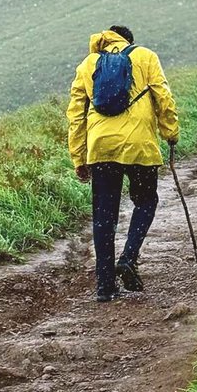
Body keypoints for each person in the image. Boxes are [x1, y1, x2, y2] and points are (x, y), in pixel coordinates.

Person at [67, 25, 180, 302]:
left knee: (104, 217)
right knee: (145, 201)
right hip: (139, 145)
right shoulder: (145, 56)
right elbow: (163, 98)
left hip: (101, 148)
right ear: (128, 41)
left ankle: (105, 287)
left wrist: (79, 157)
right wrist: (171, 133)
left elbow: (75, 116)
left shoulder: (88, 64)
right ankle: (129, 257)